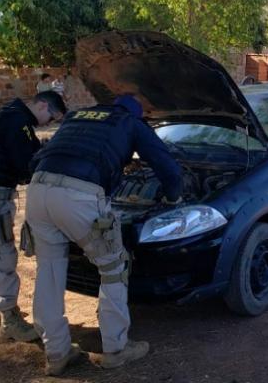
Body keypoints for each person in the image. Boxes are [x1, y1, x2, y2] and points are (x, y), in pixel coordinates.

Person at [26, 95, 182, 376]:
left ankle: (57, 353)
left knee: (48, 271)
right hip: (79, 194)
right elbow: (165, 164)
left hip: (38, 190)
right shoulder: (130, 122)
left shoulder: (77, 116)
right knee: (113, 267)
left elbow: (40, 157)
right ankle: (116, 349)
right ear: (135, 113)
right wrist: (174, 197)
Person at [0, 91, 66, 342]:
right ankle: (9, 318)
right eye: (50, 117)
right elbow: (25, 164)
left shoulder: (6, 114)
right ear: (42, 104)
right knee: (1, 254)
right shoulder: (17, 122)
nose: (47, 123)